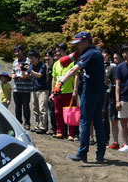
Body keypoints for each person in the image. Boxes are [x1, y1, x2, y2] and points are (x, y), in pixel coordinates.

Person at [55, 31, 107, 163]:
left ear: (85, 42)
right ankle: (100, 154)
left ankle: (82, 153)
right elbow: (65, 62)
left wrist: (60, 83)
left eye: (78, 43)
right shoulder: (97, 53)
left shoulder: (90, 54)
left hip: (90, 92)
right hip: (100, 91)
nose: (76, 46)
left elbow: (73, 70)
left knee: (84, 121)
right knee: (98, 123)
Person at [51, 43, 78, 140]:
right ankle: (60, 131)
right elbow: (54, 78)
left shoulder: (72, 62)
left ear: (65, 52)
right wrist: (52, 91)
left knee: (70, 112)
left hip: (69, 91)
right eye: (56, 51)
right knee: (58, 112)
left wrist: (75, 90)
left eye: (60, 51)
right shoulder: (56, 63)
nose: (57, 53)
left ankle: (71, 134)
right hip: (58, 92)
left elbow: (76, 76)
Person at [28, 48, 49, 134]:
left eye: (32, 57)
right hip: (34, 89)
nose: (31, 60)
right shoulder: (31, 66)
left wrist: (30, 71)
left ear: (37, 57)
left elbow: (39, 75)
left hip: (43, 90)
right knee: (35, 109)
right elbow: (29, 75)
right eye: (29, 58)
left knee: (42, 109)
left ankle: (43, 127)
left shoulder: (43, 65)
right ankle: (37, 126)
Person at [104, 48, 121, 148]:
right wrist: (104, 71)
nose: (115, 60)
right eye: (114, 58)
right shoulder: (111, 68)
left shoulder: (118, 68)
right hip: (111, 96)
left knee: (123, 121)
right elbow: (106, 82)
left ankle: (124, 143)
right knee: (113, 119)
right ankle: (115, 142)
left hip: (122, 97)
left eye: (117, 58)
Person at [11, 45, 32, 129]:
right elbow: (13, 72)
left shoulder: (28, 60)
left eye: (18, 51)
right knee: (17, 107)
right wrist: (13, 76)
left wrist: (25, 77)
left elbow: (30, 74)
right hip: (16, 88)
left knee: (26, 106)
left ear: (23, 51)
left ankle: (27, 123)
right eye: (15, 52)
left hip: (26, 88)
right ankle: (18, 122)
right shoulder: (15, 62)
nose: (17, 53)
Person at [44, 49, 57, 135]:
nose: (47, 58)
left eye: (49, 56)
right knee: (47, 109)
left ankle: (54, 127)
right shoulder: (45, 67)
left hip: (54, 90)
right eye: (46, 56)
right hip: (45, 90)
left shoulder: (55, 66)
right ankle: (48, 126)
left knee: (53, 110)